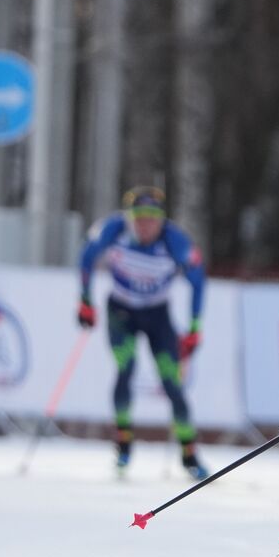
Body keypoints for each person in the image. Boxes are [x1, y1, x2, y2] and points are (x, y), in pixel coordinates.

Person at [77, 186, 209, 479]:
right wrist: (85, 301)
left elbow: (199, 281)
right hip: (121, 311)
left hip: (157, 314)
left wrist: (195, 328)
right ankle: (123, 442)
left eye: (153, 217)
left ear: (162, 219)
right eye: (139, 217)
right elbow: (86, 258)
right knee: (126, 368)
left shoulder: (174, 240)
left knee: (172, 383)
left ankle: (189, 453)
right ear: (129, 217)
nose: (146, 224)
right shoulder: (113, 229)